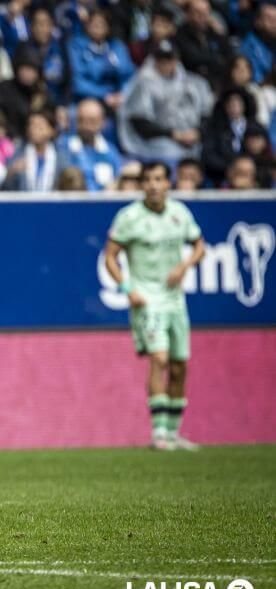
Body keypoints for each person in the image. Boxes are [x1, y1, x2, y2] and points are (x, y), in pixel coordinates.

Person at [104, 161, 205, 451]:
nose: (152, 185)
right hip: (147, 299)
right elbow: (110, 256)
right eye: (147, 180)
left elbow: (199, 245)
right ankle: (158, 432)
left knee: (179, 366)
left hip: (175, 300)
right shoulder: (129, 217)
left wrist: (185, 265)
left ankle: (173, 433)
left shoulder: (179, 213)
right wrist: (127, 289)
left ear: (167, 184)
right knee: (158, 359)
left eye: (158, 179)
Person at [118, 39, 213, 163]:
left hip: (193, 139)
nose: (165, 64)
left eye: (169, 59)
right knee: (170, 153)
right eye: (161, 60)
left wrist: (198, 132)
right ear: (154, 60)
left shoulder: (194, 83)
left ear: (177, 60)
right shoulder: (142, 83)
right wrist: (174, 135)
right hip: (158, 143)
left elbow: (207, 115)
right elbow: (141, 124)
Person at [57, 98, 122, 191]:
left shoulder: (110, 151)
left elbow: (118, 178)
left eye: (92, 121)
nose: (86, 126)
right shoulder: (63, 146)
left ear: (103, 122)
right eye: (81, 120)